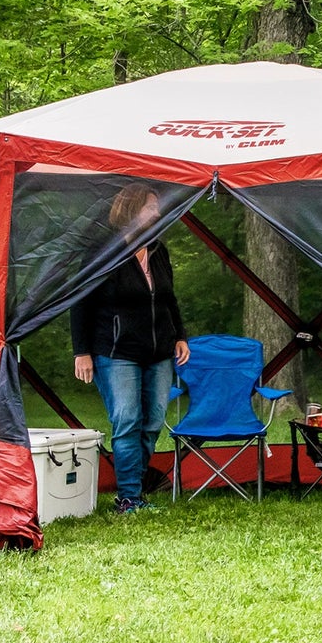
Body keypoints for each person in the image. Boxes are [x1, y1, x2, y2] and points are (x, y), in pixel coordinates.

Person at [71, 185, 190, 513]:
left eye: (156, 207)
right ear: (130, 210)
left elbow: (168, 298)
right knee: (127, 419)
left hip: (159, 352)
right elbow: (81, 300)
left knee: (152, 421)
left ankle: (134, 489)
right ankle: (129, 498)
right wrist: (81, 351)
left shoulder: (158, 249)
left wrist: (180, 335)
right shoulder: (103, 251)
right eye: (150, 207)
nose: (156, 213)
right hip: (116, 351)